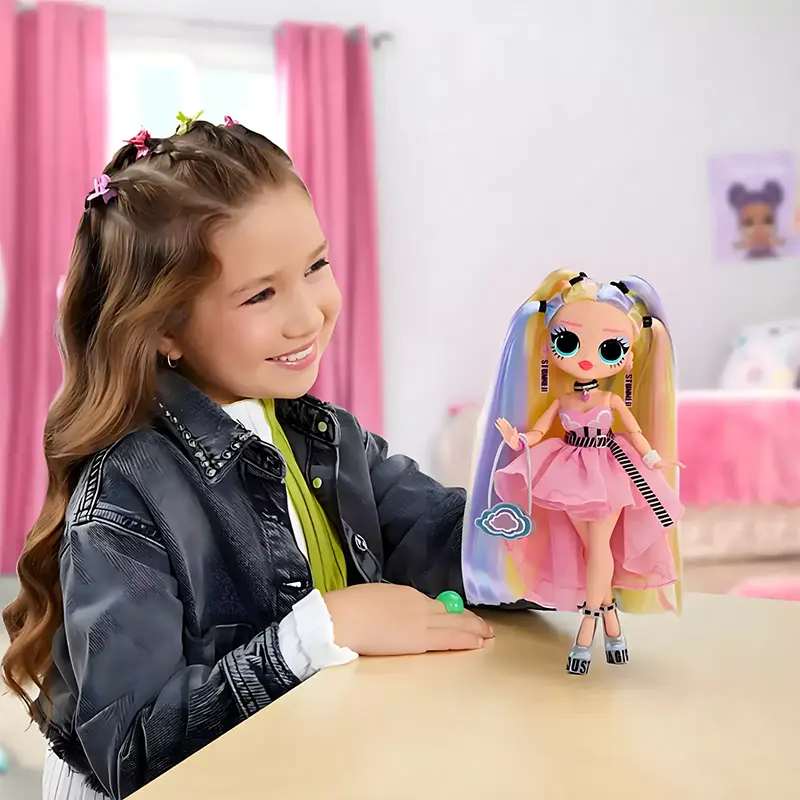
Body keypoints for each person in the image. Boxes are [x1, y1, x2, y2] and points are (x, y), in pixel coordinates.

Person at [1, 117, 495, 800]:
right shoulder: (123, 498)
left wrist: (557, 519)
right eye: (261, 294)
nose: (308, 315)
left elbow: (447, 540)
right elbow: (133, 754)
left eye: (316, 266)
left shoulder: (324, 436)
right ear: (165, 327)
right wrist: (322, 629)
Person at [461, 270, 683, 675]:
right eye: (568, 342)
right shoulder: (562, 400)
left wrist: (654, 459)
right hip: (567, 472)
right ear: (550, 349)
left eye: (609, 349)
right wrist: (517, 440)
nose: (585, 359)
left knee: (598, 549)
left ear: (627, 358)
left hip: (608, 471)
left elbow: (634, 433)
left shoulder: (611, 401)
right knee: (591, 551)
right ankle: (611, 624)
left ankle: (587, 628)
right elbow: (539, 432)